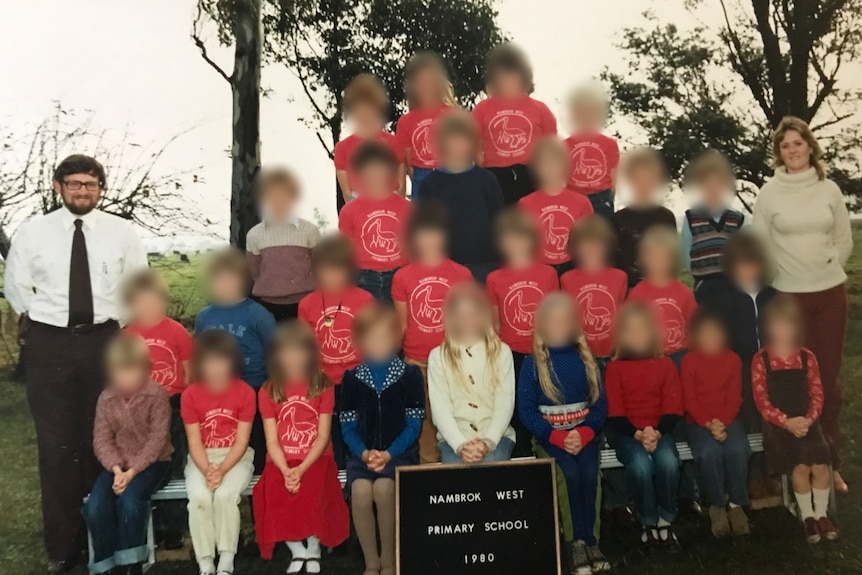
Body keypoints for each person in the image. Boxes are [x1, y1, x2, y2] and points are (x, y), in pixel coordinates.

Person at [4, 154, 148, 572]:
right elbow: (17, 286)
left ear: (101, 188)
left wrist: (111, 327)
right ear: (58, 186)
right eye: (74, 184)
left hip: (103, 341)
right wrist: (47, 323)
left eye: (90, 184)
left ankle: (102, 539)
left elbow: (136, 282)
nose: (82, 191)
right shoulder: (33, 233)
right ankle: (64, 548)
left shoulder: (121, 233)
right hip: (49, 346)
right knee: (56, 447)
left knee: (103, 439)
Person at [753, 116, 853, 493]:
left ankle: (830, 462)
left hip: (829, 295)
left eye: (798, 142)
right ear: (779, 154)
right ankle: (792, 464)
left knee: (827, 382)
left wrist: (827, 267)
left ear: (810, 146)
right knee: (792, 383)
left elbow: (843, 240)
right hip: (790, 298)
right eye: (785, 145)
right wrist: (784, 274)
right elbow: (761, 245)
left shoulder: (829, 189)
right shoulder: (770, 192)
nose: (793, 150)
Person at [517, 293, 609, 574]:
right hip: (550, 439)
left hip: (583, 436)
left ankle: (592, 540)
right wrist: (556, 437)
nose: (558, 327)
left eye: (564, 321)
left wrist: (583, 433)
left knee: (590, 473)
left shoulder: (586, 359)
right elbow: (527, 411)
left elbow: (600, 405)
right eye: (552, 322)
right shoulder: (533, 364)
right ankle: (575, 542)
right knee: (568, 474)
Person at [252, 321, 349, 571]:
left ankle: (314, 547)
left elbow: (323, 436)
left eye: (299, 351)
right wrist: (286, 470)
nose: (293, 358)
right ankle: (297, 549)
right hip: (281, 459)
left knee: (313, 489)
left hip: (316, 458)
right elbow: (271, 440)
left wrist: (302, 468)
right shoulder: (269, 390)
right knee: (274, 489)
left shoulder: (323, 385)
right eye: (286, 352)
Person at [339, 304, 425, 575]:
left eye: (383, 337)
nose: (377, 344)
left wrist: (388, 454)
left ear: (396, 339)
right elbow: (347, 427)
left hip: (399, 453)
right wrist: (364, 454)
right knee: (362, 491)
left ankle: (389, 560)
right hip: (361, 455)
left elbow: (414, 425)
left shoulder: (409, 376)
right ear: (359, 342)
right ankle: (370, 562)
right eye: (370, 338)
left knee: (385, 489)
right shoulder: (351, 380)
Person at [83, 334, 172, 575]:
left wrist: (131, 472)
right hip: (117, 467)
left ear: (147, 369)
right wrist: (115, 469)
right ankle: (107, 565)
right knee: (95, 506)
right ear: (111, 372)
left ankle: (130, 564)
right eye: (121, 372)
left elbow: (157, 441)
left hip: (153, 464)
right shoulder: (106, 398)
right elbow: (101, 439)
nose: (127, 378)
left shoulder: (157, 396)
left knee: (130, 501)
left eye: (133, 371)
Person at [392, 204, 473, 463]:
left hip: (455, 361)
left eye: (435, 233)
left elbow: (467, 323)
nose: (429, 240)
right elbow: (402, 326)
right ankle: (431, 484)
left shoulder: (461, 274)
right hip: (417, 364)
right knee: (424, 426)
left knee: (456, 422)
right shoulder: (402, 277)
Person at [752, 295, 836, 543]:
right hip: (779, 425)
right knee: (801, 464)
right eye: (777, 325)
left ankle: (821, 514)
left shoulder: (807, 357)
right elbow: (762, 401)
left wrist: (809, 420)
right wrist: (787, 422)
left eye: (788, 324)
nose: (783, 331)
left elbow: (817, 392)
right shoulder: (762, 360)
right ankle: (807, 515)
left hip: (808, 421)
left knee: (819, 463)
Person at [604, 302, 683, 550]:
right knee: (640, 466)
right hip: (627, 433)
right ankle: (648, 521)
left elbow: (674, 408)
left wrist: (656, 432)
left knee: (668, 462)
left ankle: (665, 519)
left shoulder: (665, 365)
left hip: (659, 430)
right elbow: (615, 414)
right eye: (630, 330)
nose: (637, 335)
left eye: (642, 329)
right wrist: (639, 434)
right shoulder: (614, 368)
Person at [123, 269, 193, 549]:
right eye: (141, 300)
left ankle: (173, 528)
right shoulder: (127, 335)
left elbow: (189, 374)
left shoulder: (175, 331)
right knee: (143, 466)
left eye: (154, 299)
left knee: (174, 465)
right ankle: (144, 524)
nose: (148, 306)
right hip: (139, 410)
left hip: (172, 407)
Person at [181, 330, 256, 575]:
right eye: (209, 361)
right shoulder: (190, 395)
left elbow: (242, 441)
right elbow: (194, 442)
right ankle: (205, 562)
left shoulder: (245, 392)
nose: (215, 368)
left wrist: (222, 469)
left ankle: (226, 559)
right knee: (199, 499)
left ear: (232, 361)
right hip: (202, 458)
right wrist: (207, 470)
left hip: (236, 457)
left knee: (225, 495)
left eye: (221, 360)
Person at [195, 248, 276, 472]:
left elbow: (274, 351)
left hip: (254, 388)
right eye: (219, 280)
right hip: (219, 394)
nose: (224, 285)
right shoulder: (205, 317)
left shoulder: (258, 314)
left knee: (257, 442)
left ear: (243, 280)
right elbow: (200, 357)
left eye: (230, 279)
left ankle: (258, 486)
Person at [485, 208, 558, 457]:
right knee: (517, 411)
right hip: (511, 355)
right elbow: (494, 325)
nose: (515, 244)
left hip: (543, 352)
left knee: (546, 406)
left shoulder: (548, 274)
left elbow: (554, 316)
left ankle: (549, 459)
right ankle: (523, 460)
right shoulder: (495, 278)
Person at [298, 234, 375, 467]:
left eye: (338, 269)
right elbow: (305, 349)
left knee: (360, 433)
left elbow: (372, 341)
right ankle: (339, 484)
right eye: (326, 270)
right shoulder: (307, 304)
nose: (332, 276)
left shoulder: (364, 299)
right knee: (331, 437)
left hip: (358, 380)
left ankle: (360, 478)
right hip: (323, 383)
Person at [681, 308, 750, 538]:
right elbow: (689, 401)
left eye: (716, 333)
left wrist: (724, 422)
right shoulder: (689, 361)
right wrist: (709, 424)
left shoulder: (732, 359)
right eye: (705, 334)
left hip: (728, 418)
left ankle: (737, 504)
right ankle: (717, 504)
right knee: (708, 451)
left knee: (737, 448)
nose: (711, 339)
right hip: (699, 422)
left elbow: (735, 397)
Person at [428, 282, 516, 464]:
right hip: (454, 440)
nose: (466, 320)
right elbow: (440, 410)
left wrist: (487, 442)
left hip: (496, 436)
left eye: (472, 314)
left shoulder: (502, 352)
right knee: (459, 472)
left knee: (492, 463)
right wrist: (460, 444)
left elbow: (504, 403)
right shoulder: (438, 356)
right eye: (460, 315)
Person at [697, 233, 776, 430]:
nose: (747, 271)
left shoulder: (771, 295)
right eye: (741, 265)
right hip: (738, 364)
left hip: (771, 363)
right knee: (745, 408)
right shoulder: (723, 297)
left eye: (752, 264)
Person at [418, 108, 504, 283]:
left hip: (485, 267)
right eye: (452, 139)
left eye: (463, 139)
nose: (458, 145)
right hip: (444, 268)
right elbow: (422, 230)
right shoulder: (430, 185)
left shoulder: (487, 180)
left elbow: (500, 223)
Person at [472, 43, 557, 204]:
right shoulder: (482, 109)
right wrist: (483, 170)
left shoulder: (541, 109)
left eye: (512, 74)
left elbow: (551, 149)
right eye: (503, 75)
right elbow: (473, 144)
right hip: (494, 177)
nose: (508, 80)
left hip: (531, 176)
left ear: (524, 77)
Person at [338, 140, 412, 303]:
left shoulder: (408, 208)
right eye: (369, 168)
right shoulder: (349, 210)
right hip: (363, 279)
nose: (375, 173)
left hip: (398, 278)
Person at [246, 167, 320, 321]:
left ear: (294, 197)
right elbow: (255, 271)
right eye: (272, 195)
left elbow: (319, 266)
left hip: (305, 304)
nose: (278, 201)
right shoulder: (254, 234)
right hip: (268, 306)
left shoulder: (310, 230)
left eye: (284, 195)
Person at [519, 136, 594, 276]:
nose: (549, 168)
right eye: (544, 162)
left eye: (554, 161)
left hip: (573, 270)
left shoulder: (581, 202)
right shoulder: (525, 204)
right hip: (539, 271)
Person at [561, 215, 628, 368]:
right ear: (574, 247)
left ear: (607, 246)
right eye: (584, 244)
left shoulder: (619, 277)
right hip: (581, 354)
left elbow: (623, 316)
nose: (591, 250)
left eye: (597, 244)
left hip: (613, 353)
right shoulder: (567, 279)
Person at [627, 226, 696, 369]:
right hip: (649, 356)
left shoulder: (684, 293)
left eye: (664, 258)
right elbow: (628, 329)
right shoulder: (637, 293)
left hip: (680, 356)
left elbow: (695, 326)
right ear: (644, 259)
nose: (659, 263)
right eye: (654, 257)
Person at [680, 150, 747, 299]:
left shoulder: (737, 220)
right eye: (707, 183)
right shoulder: (691, 218)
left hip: (733, 289)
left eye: (717, 183)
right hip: (704, 289)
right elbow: (686, 253)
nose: (712, 188)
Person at [611, 148, 676, 289]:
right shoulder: (619, 219)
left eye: (648, 178)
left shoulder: (666, 218)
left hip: (659, 288)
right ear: (630, 180)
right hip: (628, 290)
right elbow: (613, 261)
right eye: (638, 178)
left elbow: (672, 258)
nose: (643, 184)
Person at [334, 73, 405, 202]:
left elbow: (401, 186)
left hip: (390, 203)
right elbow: (347, 194)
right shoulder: (342, 148)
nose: (364, 111)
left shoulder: (394, 142)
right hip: (360, 207)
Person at [396, 51, 455, 197]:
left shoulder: (454, 114)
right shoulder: (405, 122)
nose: (426, 86)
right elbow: (409, 166)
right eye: (420, 82)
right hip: (421, 178)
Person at [564, 81, 619, 220]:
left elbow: (614, 180)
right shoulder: (564, 145)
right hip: (574, 198)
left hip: (601, 199)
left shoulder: (609, 144)